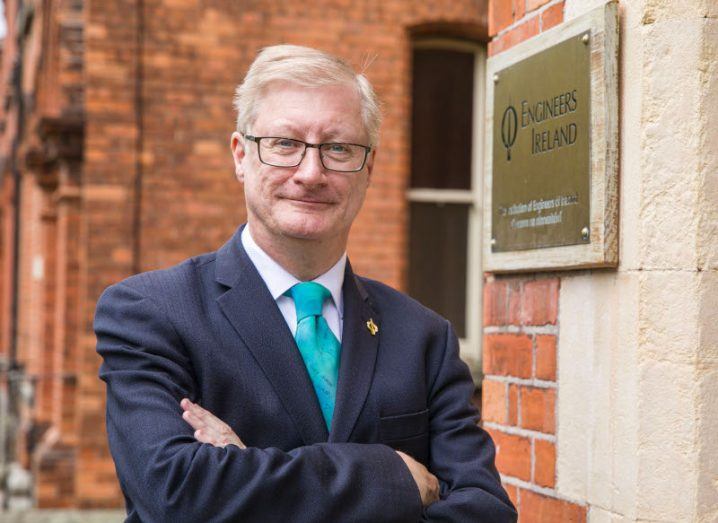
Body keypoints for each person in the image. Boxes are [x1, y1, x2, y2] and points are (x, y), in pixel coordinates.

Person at [95, 44, 517, 522]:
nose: (311, 173)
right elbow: (174, 490)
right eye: (285, 144)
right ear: (240, 155)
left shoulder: (424, 337)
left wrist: (241, 471)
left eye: (338, 148)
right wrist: (390, 474)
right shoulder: (151, 312)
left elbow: (485, 512)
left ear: (369, 167)